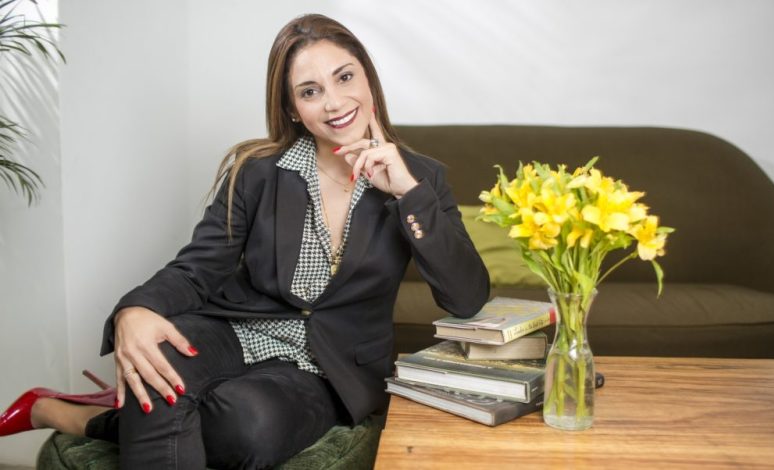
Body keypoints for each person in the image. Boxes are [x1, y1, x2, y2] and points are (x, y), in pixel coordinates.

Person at [0, 13, 489, 469]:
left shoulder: (421, 179)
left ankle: (83, 417)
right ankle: (130, 408)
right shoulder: (257, 171)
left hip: (328, 366)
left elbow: (466, 299)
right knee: (157, 360)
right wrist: (135, 309)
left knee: (244, 424)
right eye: (311, 91)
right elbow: (198, 268)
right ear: (292, 108)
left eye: (345, 77)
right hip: (237, 330)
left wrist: (406, 194)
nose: (334, 102)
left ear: (368, 78)